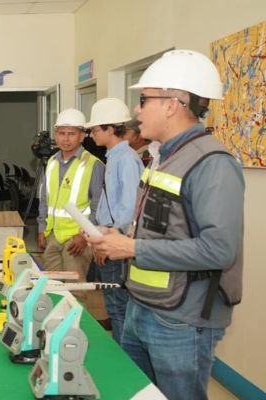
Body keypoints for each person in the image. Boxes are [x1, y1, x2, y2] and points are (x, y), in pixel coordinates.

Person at [88, 49, 243, 400]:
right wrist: (123, 235)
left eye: (144, 99)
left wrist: (132, 247)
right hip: (142, 306)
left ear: (174, 104)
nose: (137, 110)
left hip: (181, 319)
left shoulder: (212, 163)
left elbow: (219, 249)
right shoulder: (164, 158)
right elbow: (165, 227)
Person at [36, 108, 107, 322]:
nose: (65, 139)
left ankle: (74, 333)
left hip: (76, 240)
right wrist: (41, 228)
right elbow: (45, 198)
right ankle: (54, 330)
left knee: (75, 292)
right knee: (52, 288)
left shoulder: (93, 165)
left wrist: (84, 235)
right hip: (53, 237)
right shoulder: (52, 162)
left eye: (72, 133)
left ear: (82, 136)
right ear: (56, 135)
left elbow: (97, 206)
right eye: (62, 133)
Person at [84, 97, 144, 343]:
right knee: (114, 305)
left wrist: (108, 239)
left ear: (110, 129)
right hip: (107, 239)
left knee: (119, 308)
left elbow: (128, 208)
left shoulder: (126, 159)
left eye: (95, 129)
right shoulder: (113, 157)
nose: (91, 133)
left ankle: (125, 361)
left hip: (117, 244)